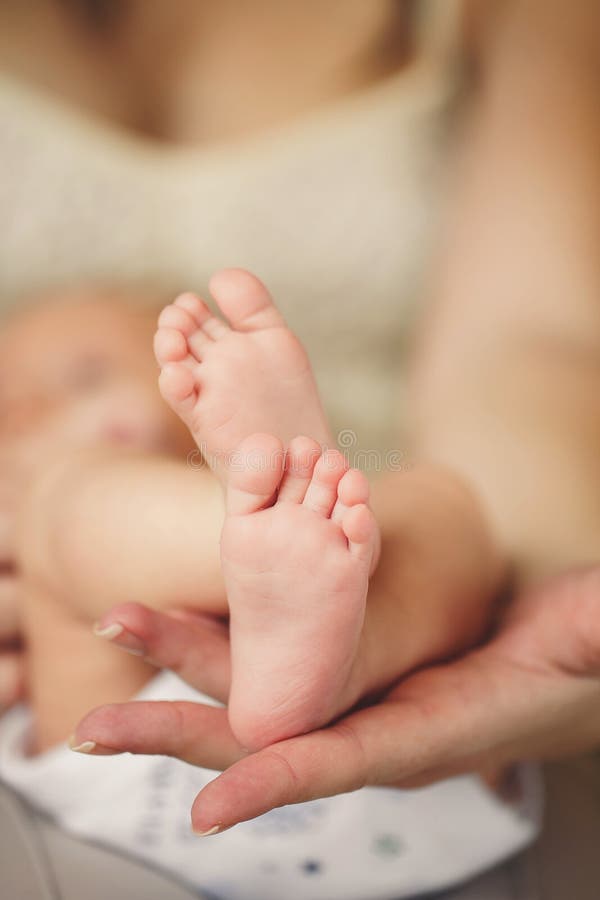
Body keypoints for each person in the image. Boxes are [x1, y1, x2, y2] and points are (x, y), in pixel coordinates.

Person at [0, 273, 527, 900]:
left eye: (86, 376)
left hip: (409, 749)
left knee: (441, 500)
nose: (30, 409)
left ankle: (340, 631)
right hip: (406, 810)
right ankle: (275, 515)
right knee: (61, 508)